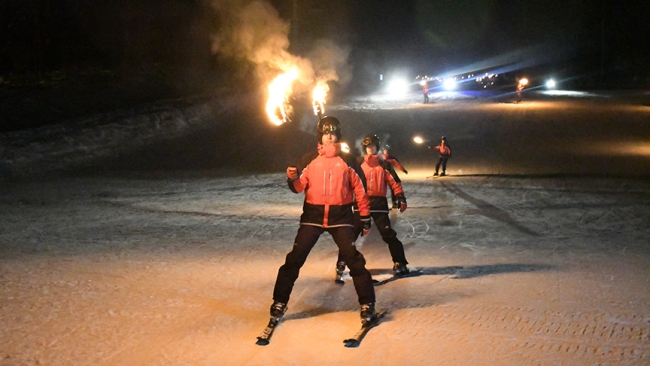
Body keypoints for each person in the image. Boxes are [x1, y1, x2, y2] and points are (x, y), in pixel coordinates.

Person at [269, 116, 378, 326]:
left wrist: (364, 217)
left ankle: (367, 303)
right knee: (294, 259)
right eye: (325, 134)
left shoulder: (348, 160)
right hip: (313, 217)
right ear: (320, 137)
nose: (329, 137)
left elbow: (360, 190)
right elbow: (299, 187)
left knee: (354, 260)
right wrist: (292, 178)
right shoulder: (308, 159)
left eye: (333, 133)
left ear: (338, 136)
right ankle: (279, 302)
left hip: (341, 217)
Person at [335, 134, 411, 282]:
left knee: (388, 233)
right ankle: (341, 263)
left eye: (373, 146)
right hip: (361, 203)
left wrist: (400, 197)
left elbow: (394, 181)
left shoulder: (383, 164)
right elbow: (348, 181)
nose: (371, 149)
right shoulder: (358, 163)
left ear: (377, 147)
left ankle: (400, 262)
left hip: (379, 203)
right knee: (350, 236)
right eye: (368, 147)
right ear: (365, 148)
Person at [381, 144, 408, 209]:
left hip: (391, 173)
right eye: (385, 150)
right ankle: (381, 204)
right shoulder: (380, 158)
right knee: (381, 189)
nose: (386, 152)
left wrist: (403, 170)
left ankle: (394, 202)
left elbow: (397, 164)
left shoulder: (391, 158)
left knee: (394, 188)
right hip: (382, 174)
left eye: (387, 150)